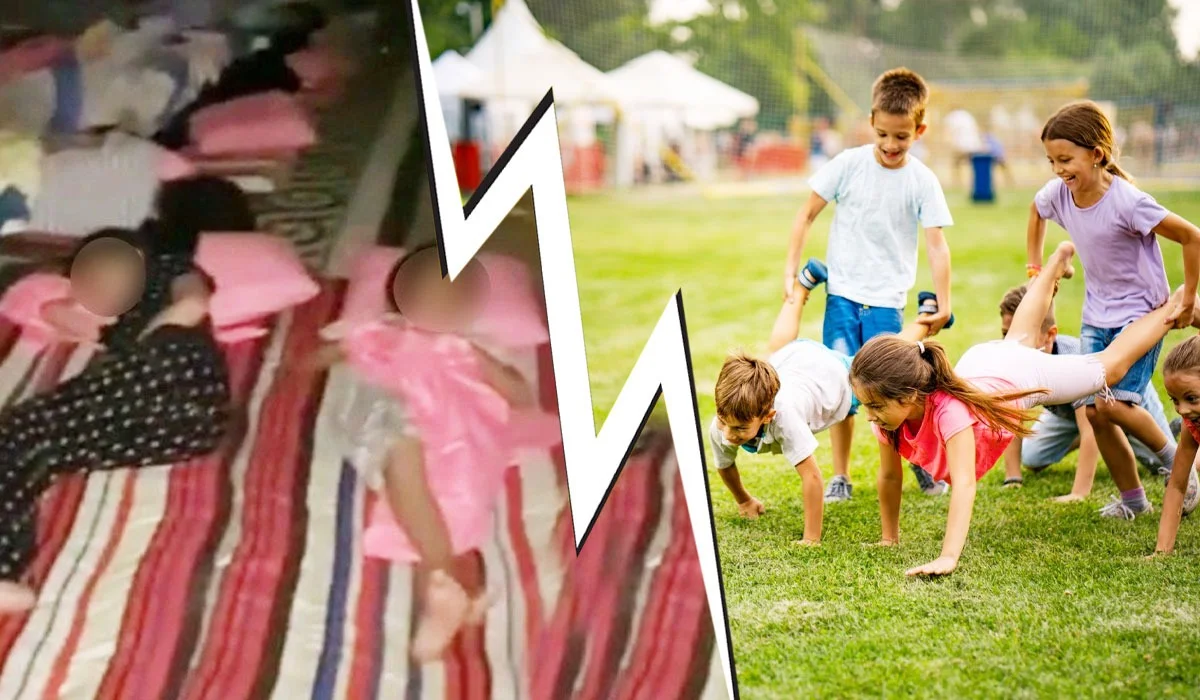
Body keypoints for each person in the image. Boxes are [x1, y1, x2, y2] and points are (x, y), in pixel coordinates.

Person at [850, 242, 1196, 576]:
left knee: (1111, 367)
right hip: (984, 363)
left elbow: (965, 485)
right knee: (1019, 338)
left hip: (1015, 376)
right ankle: (1056, 264)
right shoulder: (887, 421)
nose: (870, 415)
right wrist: (888, 538)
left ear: (909, 395)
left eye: (875, 405)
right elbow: (890, 476)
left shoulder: (949, 412)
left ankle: (1173, 306)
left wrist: (948, 557)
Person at [305, 245, 561, 662]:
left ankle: (445, 592)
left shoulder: (474, 345)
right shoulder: (384, 330)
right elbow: (330, 354)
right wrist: (315, 359)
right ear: (401, 298)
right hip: (397, 416)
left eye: (454, 300)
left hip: (455, 437)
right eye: (430, 297)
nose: (441, 310)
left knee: (444, 503)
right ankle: (451, 580)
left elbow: (520, 395)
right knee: (404, 452)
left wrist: (480, 359)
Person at [0, 221, 232, 611]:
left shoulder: (169, 269)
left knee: (21, 427)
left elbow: (193, 304)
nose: (94, 289)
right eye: (86, 283)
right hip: (183, 426)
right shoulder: (118, 327)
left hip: (174, 370)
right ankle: (6, 574)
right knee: (35, 441)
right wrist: (76, 301)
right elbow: (55, 312)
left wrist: (141, 350)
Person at [783, 67, 953, 502]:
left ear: (920, 128)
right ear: (871, 121)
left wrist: (944, 301)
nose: (891, 145)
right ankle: (841, 475)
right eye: (882, 135)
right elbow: (804, 215)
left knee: (895, 390)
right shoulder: (847, 165)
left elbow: (937, 245)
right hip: (841, 298)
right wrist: (790, 273)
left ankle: (914, 462)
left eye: (902, 136)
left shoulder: (922, 180)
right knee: (841, 385)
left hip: (886, 303)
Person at [1029, 100, 1200, 520]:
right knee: (1092, 411)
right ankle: (1133, 501)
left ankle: (1179, 469)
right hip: (1096, 318)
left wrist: (1190, 297)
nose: (1057, 170)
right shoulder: (1060, 194)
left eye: (1065, 159)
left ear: (1097, 154)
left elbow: (1192, 236)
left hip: (1142, 315)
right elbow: (1036, 210)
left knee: (1112, 405)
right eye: (1051, 160)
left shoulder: (1128, 202)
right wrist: (1036, 266)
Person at [709, 256, 953, 542]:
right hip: (792, 362)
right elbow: (724, 464)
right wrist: (744, 500)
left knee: (889, 360)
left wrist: (811, 538)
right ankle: (801, 288)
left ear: (768, 416)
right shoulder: (724, 420)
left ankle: (927, 316)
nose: (727, 434)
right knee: (774, 352)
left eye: (738, 429)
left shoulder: (785, 415)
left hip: (832, 375)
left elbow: (811, 477)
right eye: (725, 423)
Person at [996, 284, 1178, 500]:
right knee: (1032, 457)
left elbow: (1090, 427)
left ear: (1050, 335)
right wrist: (1013, 478)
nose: (1012, 344)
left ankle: (1179, 433)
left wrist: (1078, 493)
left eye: (1022, 336)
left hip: (1120, 399)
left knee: (1165, 464)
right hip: (1072, 415)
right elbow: (1012, 417)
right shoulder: (1013, 361)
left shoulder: (1073, 361)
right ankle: (1112, 436)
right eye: (1006, 334)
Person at [1153, 336, 1200, 554]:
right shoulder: (1191, 424)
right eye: (1174, 399)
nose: (1181, 410)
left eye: (1191, 398)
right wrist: (1162, 551)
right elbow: (1177, 485)